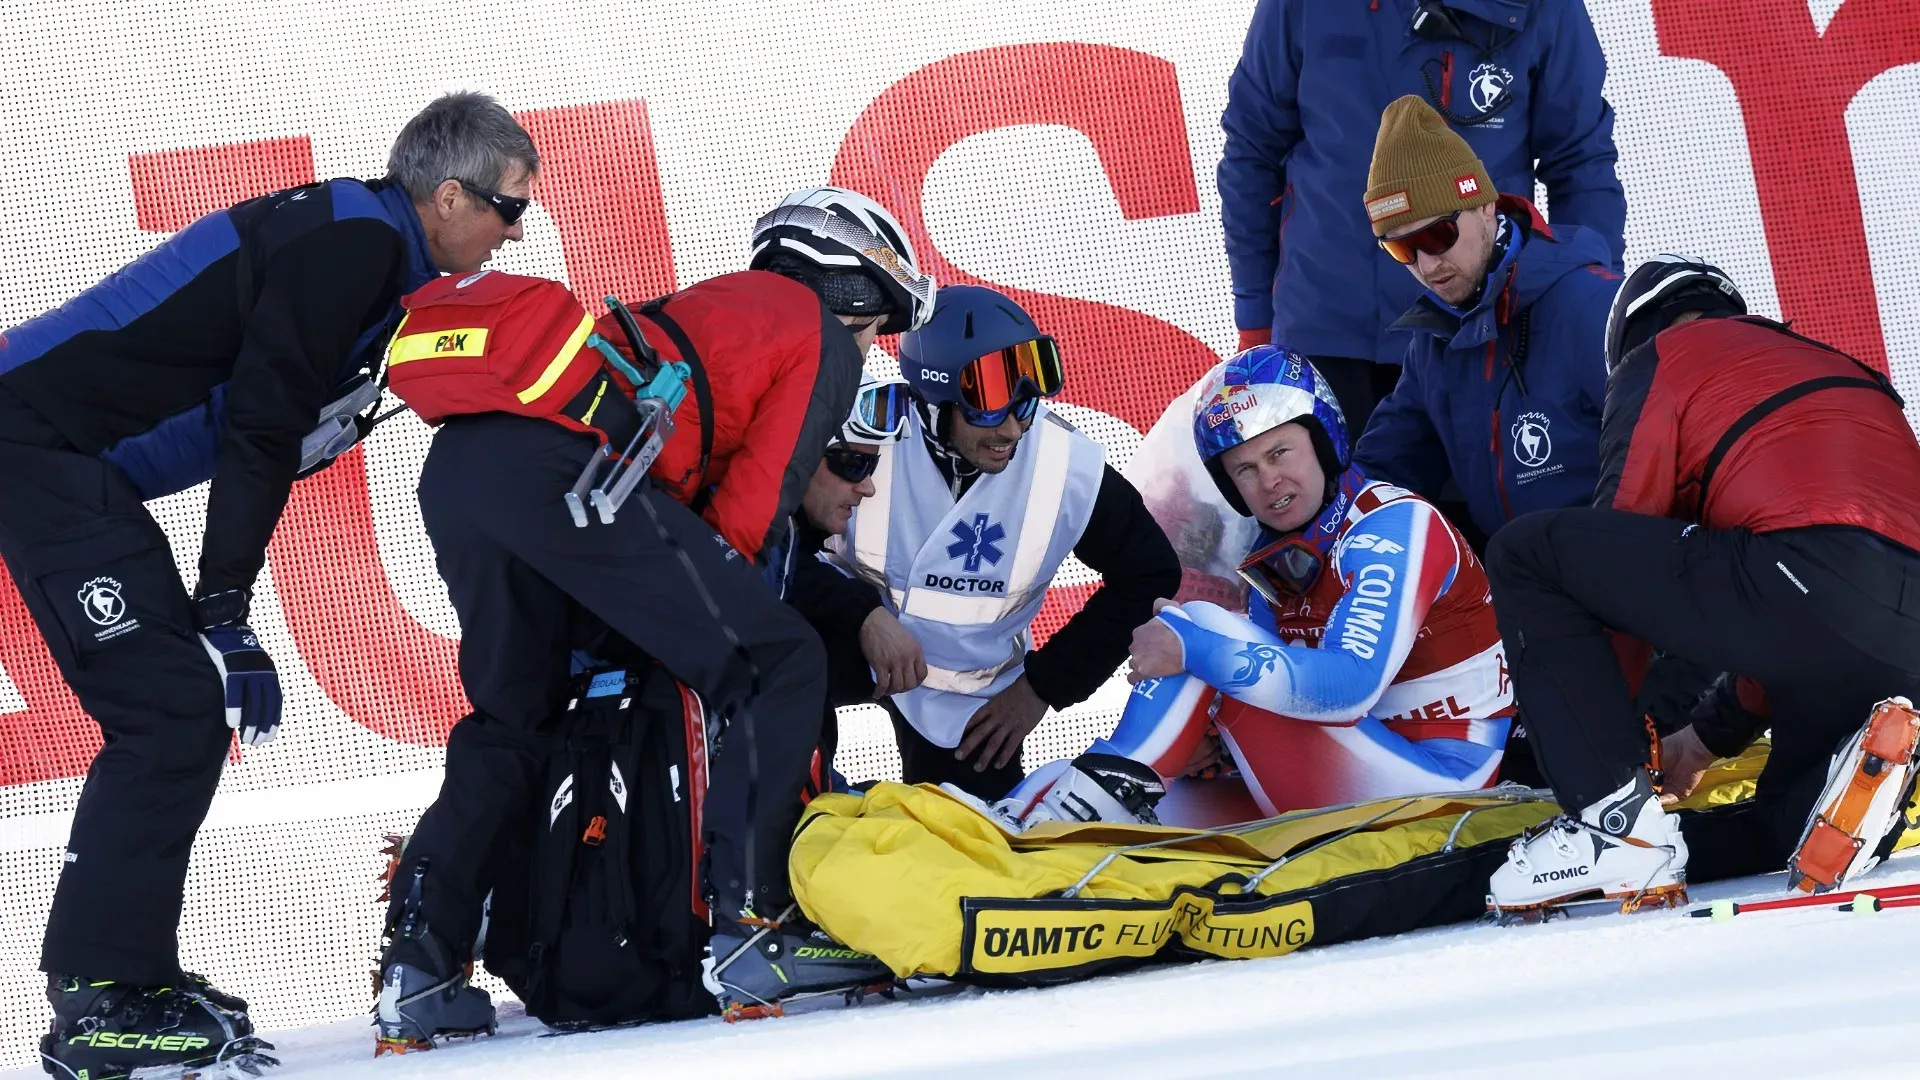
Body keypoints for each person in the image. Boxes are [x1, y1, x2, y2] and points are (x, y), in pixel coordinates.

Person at [0, 92, 535, 1078]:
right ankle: (99, 1006)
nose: (516, 231)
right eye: (510, 208)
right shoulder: (354, 246)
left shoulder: (362, 242)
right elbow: (255, 428)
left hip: (65, 457)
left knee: (181, 710)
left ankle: (130, 977)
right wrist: (224, 612)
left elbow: (214, 418)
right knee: (168, 710)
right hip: (31, 444)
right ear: (449, 195)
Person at [373, 187, 934, 1043]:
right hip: (565, 476)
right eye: (876, 322)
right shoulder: (818, 334)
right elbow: (754, 511)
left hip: (462, 470)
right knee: (773, 660)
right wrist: (713, 612)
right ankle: (754, 930)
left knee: (512, 717)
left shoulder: (711, 301)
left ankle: (418, 966)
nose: (869, 344)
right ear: (852, 288)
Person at [1482, 258, 1920, 916]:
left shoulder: (1661, 357)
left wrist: (1613, 752)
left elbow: (1618, 544)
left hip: (1801, 577)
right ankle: (1856, 792)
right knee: (1784, 823)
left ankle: (1613, 826)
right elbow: (1790, 616)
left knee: (1529, 552)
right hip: (1892, 639)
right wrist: (1702, 740)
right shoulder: (1851, 369)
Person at [991, 346, 1515, 831]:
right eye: (1245, 469)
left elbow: (1351, 687)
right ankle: (1005, 834)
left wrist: (1191, 648)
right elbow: (1276, 688)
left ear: (1323, 439)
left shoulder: (1395, 527)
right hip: (1365, 766)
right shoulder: (1276, 557)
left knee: (1199, 624)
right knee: (1075, 777)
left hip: (1443, 788)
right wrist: (1211, 742)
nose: (1269, 481)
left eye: (1280, 452)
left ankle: (1085, 806)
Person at [831, 285, 1181, 799]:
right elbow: (780, 554)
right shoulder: (861, 433)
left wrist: (1044, 686)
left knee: (975, 842)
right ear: (933, 406)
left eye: (1025, 403)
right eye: (987, 409)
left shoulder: (1065, 465)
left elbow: (1150, 573)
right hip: (853, 643)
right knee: (779, 681)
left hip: (969, 702)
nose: (1013, 428)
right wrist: (861, 612)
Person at [1220, 0, 1623, 434]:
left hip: (1482, 334)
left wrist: (1593, 307)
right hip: (1325, 336)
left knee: (1484, 501)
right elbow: (1251, 152)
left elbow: (1581, 163)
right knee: (1343, 500)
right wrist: (1255, 318)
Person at [1351, 96, 1620, 546]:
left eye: (1437, 235)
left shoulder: (1590, 303)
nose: (1426, 264)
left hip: (1611, 571)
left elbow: (1668, 450)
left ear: (1484, 207)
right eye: (1401, 249)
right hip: (1525, 587)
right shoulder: (1435, 341)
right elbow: (1384, 470)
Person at [783, 376, 925, 785]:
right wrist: (864, 611)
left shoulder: (800, 547)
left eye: (872, 464)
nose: (867, 487)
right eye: (852, 465)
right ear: (800, 454)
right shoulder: (737, 530)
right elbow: (755, 566)